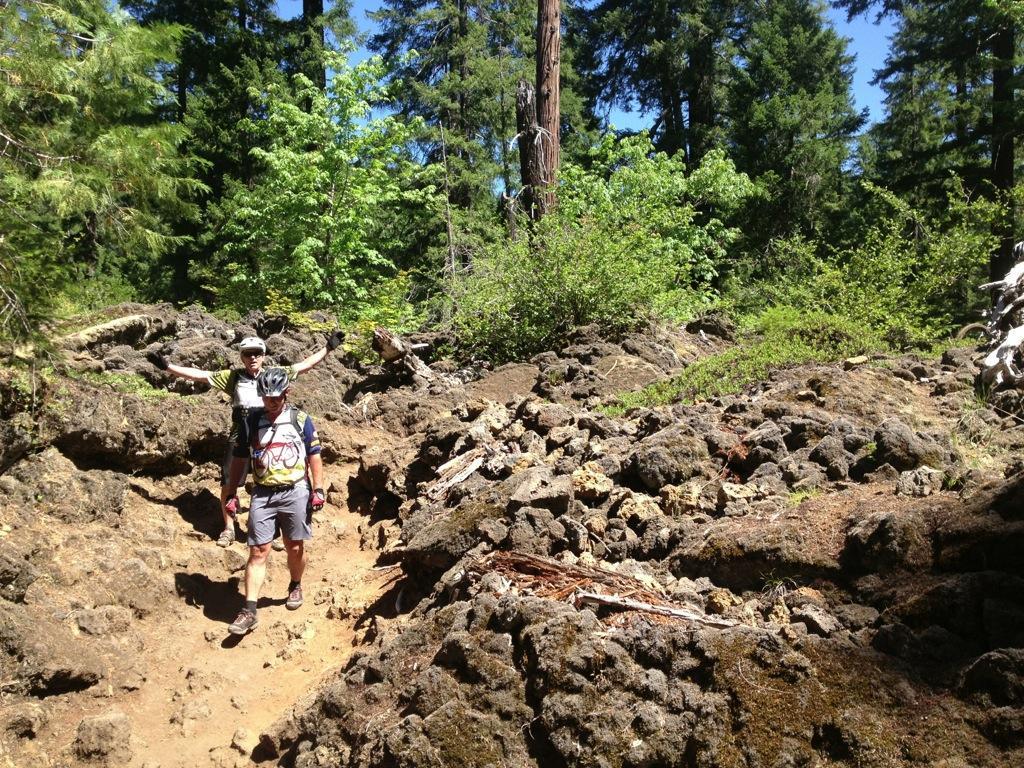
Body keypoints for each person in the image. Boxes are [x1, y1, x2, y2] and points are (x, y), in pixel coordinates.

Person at [147, 331, 343, 546]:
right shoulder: (233, 377)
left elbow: (304, 365)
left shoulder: (275, 374)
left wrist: (328, 348)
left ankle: (275, 530)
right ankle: (229, 528)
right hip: (241, 434)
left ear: (263, 355)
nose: (253, 358)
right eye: (248, 354)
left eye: (257, 353)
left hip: (271, 434)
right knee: (229, 481)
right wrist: (167, 366)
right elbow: (199, 375)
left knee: (276, 478)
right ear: (241, 356)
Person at [223, 368, 324, 635]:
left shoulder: (301, 419)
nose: (272, 402)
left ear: (286, 393)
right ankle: (249, 611)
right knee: (257, 551)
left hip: (295, 491)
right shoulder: (253, 420)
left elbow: (314, 454)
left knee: (294, 547)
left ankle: (295, 583)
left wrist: (319, 488)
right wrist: (232, 491)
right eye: (267, 397)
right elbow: (241, 458)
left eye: (276, 396)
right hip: (263, 493)